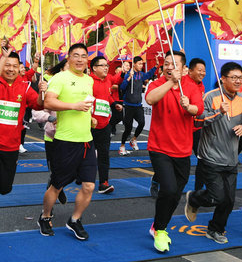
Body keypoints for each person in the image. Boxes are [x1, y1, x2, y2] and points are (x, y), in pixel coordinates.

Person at [0, 48, 45, 244]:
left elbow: (38, 104)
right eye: (7, 65)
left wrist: (41, 92)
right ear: (1, 66)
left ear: (20, 68)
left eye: (15, 66)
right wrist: (3, 56)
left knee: (5, 188)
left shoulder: (24, 86)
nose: (11, 69)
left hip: (11, 147)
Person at [184, 62, 242, 244]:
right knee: (216, 197)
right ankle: (194, 198)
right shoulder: (210, 97)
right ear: (223, 79)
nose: (238, 81)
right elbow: (198, 120)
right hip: (211, 156)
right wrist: (218, 112)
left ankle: (215, 229)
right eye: (234, 77)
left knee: (229, 201)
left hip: (231, 158)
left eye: (241, 78)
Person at [145, 50, 202, 253]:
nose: (170, 67)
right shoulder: (157, 83)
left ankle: (158, 224)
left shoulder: (191, 87)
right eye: (167, 63)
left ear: (184, 68)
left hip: (183, 149)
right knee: (168, 189)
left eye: (174, 64)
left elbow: (199, 109)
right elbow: (151, 99)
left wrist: (189, 107)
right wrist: (171, 83)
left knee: (176, 193)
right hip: (159, 147)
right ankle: (160, 230)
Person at [38, 43, 96, 241]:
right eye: (76, 56)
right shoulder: (60, 78)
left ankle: (75, 220)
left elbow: (86, 106)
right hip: (65, 141)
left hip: (87, 141)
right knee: (57, 185)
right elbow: (48, 102)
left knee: (89, 186)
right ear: (69, 58)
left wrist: (91, 118)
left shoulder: (89, 80)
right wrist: (74, 106)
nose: (80, 59)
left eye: (83, 56)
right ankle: (45, 217)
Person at [118, 55, 157, 155]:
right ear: (134, 64)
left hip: (138, 105)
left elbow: (148, 75)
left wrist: (156, 66)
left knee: (142, 123)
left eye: (142, 64)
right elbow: (122, 87)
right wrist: (129, 77)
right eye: (139, 64)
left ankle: (133, 139)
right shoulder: (128, 74)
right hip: (128, 105)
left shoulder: (141, 75)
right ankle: (122, 146)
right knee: (128, 128)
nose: (141, 65)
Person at [89, 55, 116, 195]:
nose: (106, 68)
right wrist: (89, 117)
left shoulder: (107, 81)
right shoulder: (88, 82)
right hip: (89, 126)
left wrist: (114, 104)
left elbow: (108, 96)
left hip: (105, 124)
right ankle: (81, 177)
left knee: (104, 154)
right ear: (94, 68)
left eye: (107, 65)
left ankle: (103, 183)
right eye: (103, 65)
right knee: (85, 154)